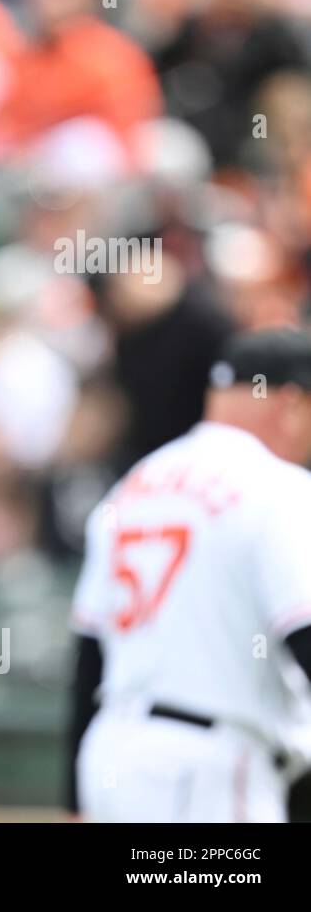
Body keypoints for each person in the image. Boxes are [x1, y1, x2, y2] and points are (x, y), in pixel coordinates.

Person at [69, 328, 311, 822]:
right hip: (209, 768)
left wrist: (71, 802)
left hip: (111, 756)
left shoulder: (132, 486)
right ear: (290, 403)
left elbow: (88, 655)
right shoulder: (279, 488)